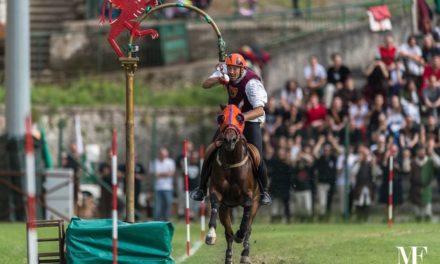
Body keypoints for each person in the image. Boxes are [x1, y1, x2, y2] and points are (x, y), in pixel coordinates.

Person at [190, 53, 272, 205]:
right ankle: (201, 188)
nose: (232, 72)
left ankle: (264, 191)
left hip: (249, 120)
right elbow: (205, 84)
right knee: (211, 149)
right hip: (231, 122)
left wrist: (243, 117)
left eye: (235, 69)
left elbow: (260, 110)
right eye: (230, 69)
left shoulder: (251, 83)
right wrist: (219, 79)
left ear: (242, 69)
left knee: (258, 157)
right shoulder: (225, 72)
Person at [149, 147, 176, 221]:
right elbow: (153, 174)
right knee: (158, 205)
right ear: (159, 154)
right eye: (162, 154)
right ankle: (157, 220)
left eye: (165, 154)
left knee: (168, 203)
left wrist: (160, 174)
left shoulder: (170, 162)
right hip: (157, 187)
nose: (163, 156)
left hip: (168, 187)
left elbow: (172, 173)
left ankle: (166, 219)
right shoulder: (154, 162)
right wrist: (165, 173)